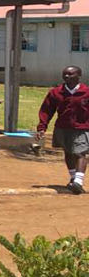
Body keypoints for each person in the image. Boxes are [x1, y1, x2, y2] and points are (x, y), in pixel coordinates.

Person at [36, 66, 88, 195]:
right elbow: (47, 110)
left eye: (70, 74)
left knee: (80, 153)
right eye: (64, 74)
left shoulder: (86, 92)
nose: (66, 76)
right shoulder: (56, 92)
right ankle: (73, 178)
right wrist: (42, 127)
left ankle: (78, 182)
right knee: (68, 152)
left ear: (79, 76)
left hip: (81, 128)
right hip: (62, 128)